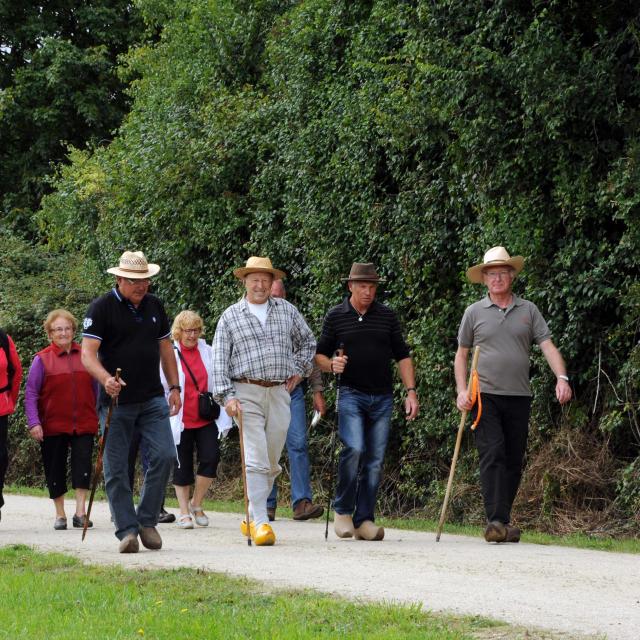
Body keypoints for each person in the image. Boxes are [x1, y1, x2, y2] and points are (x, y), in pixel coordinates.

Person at [455, 246, 572, 543]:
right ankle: (494, 519)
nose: (497, 278)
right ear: (484, 279)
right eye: (491, 274)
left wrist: (562, 377)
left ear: (511, 276)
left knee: (513, 458)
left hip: (520, 396)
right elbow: (461, 355)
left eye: (502, 273)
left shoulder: (529, 310)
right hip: (485, 395)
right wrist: (462, 390)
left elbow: (547, 346)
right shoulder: (473, 312)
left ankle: (502, 523)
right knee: (492, 452)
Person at [211, 256, 316, 546]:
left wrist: (298, 369)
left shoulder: (287, 311)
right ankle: (261, 522)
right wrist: (226, 397)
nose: (259, 285)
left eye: (264, 280)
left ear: (272, 283)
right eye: (254, 279)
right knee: (255, 457)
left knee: (271, 460)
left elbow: (308, 343)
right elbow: (219, 360)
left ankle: (251, 513)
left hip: (280, 392)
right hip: (245, 393)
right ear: (244, 282)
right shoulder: (230, 316)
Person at [81, 250, 181, 553]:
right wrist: (105, 380)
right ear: (119, 279)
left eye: (145, 280)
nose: (142, 286)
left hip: (151, 397)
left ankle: (147, 520)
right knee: (116, 466)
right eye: (135, 281)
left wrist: (174, 386)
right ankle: (127, 531)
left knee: (165, 455)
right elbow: (87, 354)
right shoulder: (101, 308)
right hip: (116, 402)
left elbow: (166, 349)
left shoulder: (154, 305)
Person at [316, 262, 419, 541]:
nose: (368, 291)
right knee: (354, 448)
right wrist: (332, 365)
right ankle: (342, 511)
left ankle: (364, 519)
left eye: (372, 286)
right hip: (350, 393)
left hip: (383, 396)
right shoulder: (336, 315)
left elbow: (402, 355)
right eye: (363, 286)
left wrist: (411, 391)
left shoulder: (386, 316)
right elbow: (319, 355)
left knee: (374, 460)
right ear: (350, 286)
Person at [25, 309, 99, 530]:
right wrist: (33, 421)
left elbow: (96, 388)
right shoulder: (42, 359)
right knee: (54, 468)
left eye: (67, 328)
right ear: (50, 333)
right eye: (58, 329)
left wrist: (99, 414)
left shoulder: (86, 356)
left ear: (74, 331)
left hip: (84, 422)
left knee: (82, 466)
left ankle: (80, 513)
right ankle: (60, 514)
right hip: (53, 425)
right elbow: (31, 394)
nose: (63, 333)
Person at [161, 310, 231, 529]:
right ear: (178, 332)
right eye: (187, 330)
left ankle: (196, 503)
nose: (191, 335)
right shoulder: (169, 354)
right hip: (180, 418)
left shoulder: (209, 351)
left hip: (205, 416)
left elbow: (218, 379)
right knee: (182, 467)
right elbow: (162, 385)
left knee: (211, 458)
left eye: (195, 330)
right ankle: (183, 512)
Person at [266, 279, 325, 522]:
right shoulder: (257, 320)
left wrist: (317, 391)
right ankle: (267, 503)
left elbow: (310, 351)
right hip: (268, 391)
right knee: (269, 448)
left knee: (298, 444)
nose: (277, 299)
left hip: (294, 392)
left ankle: (302, 503)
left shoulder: (293, 318)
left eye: (280, 295)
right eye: (273, 295)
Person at [0, 326, 23, 522]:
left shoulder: (3, 339)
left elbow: (16, 372)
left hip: (0, 406)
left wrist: (10, 400)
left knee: (0, 457)